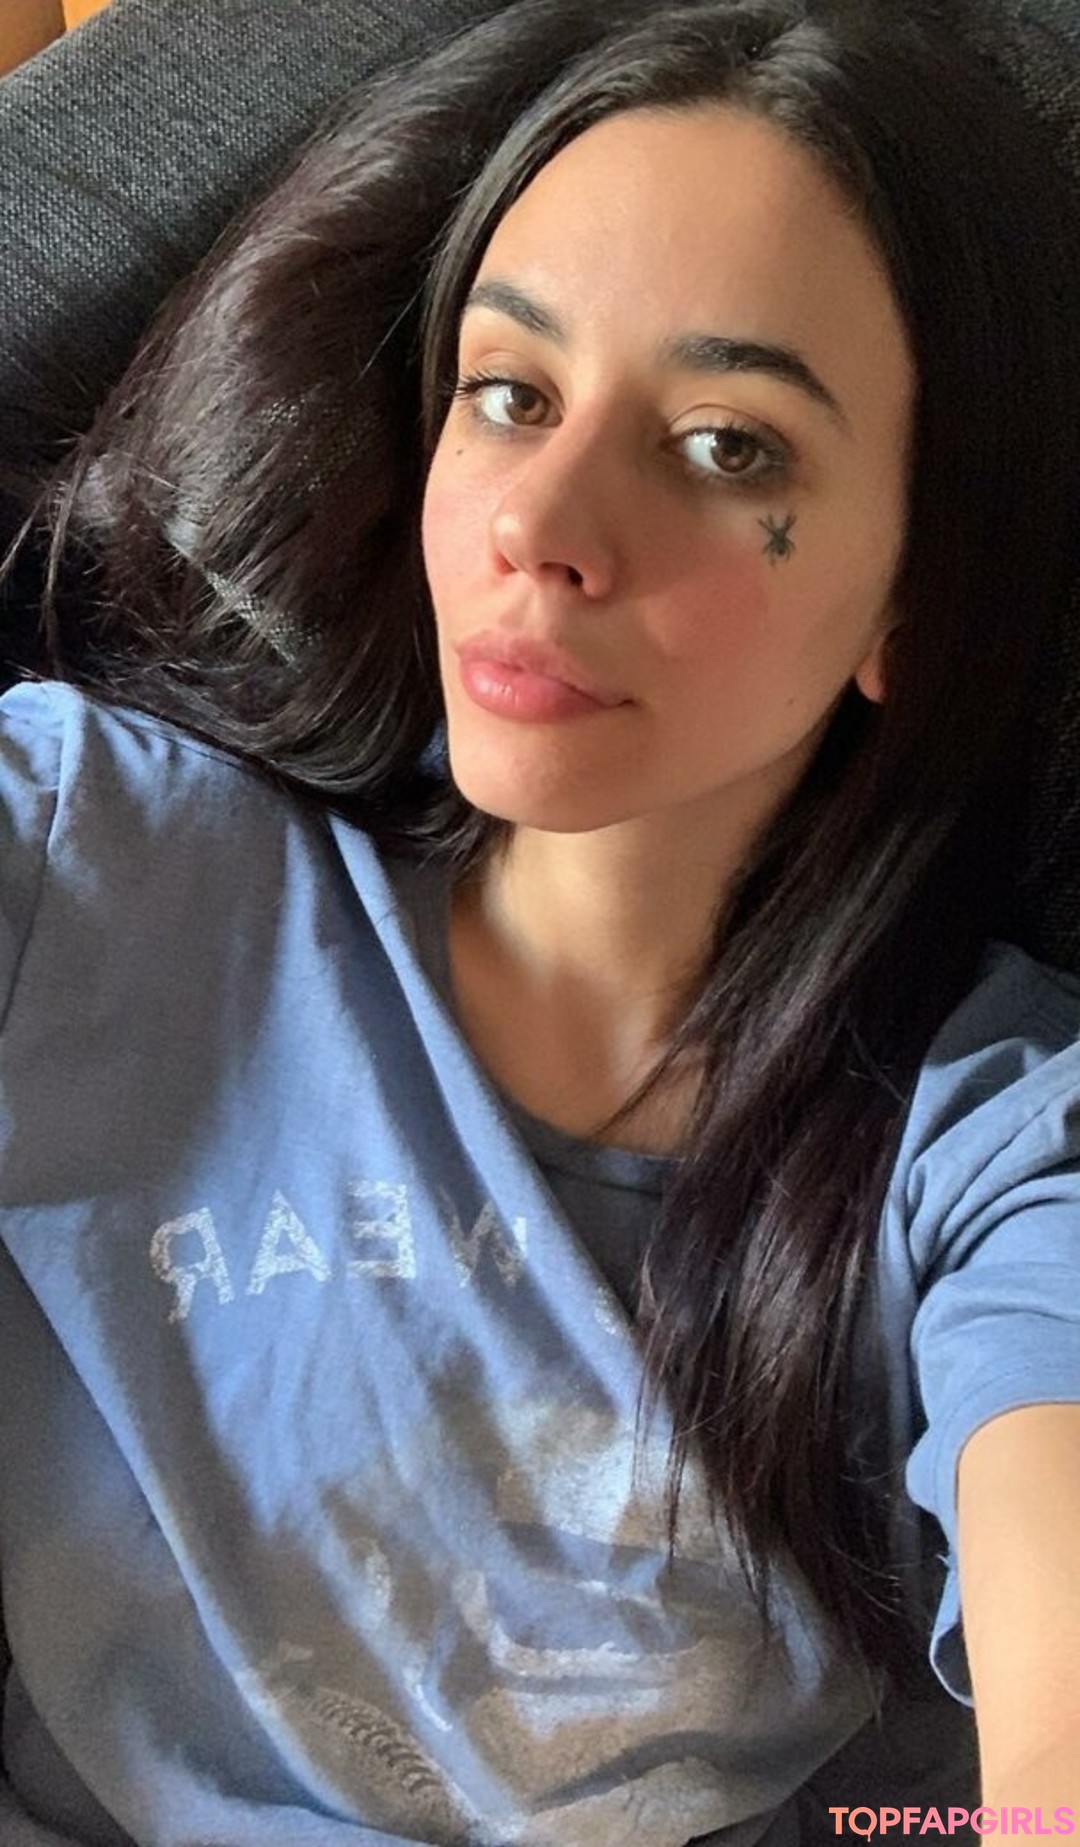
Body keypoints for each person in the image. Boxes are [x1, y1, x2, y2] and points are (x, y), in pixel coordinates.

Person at [2, 0, 1079, 1839]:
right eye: (510, 394)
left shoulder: (992, 1149)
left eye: (729, 446)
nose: (543, 524)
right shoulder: (95, 855)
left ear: (919, 586)